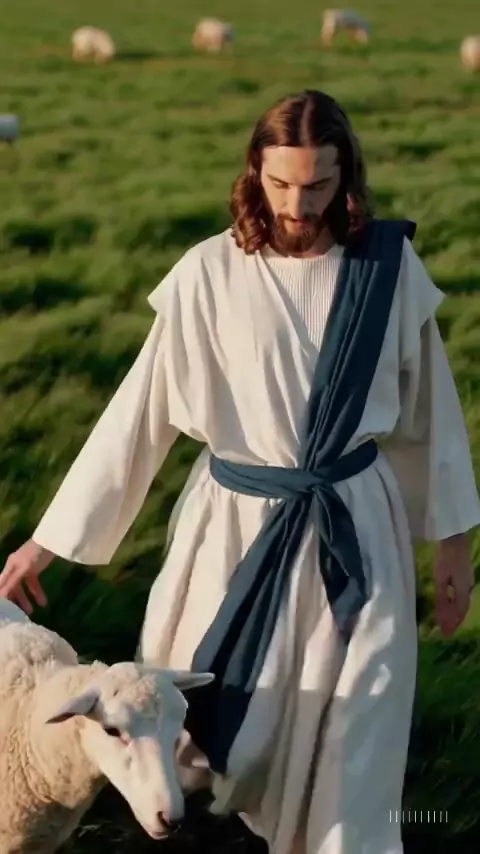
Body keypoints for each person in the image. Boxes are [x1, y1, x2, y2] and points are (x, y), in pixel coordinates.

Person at [1, 89, 479, 854]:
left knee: (358, 727)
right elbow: (138, 415)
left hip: (355, 530)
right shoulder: (209, 274)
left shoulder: (386, 271)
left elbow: (432, 416)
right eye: (280, 183)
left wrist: (453, 545)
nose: (297, 205)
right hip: (232, 529)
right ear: (255, 171)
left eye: (318, 185)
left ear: (346, 176)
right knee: (208, 727)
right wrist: (47, 542)